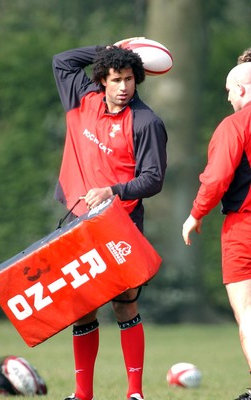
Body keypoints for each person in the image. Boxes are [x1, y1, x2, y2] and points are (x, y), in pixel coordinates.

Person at [52, 38, 168, 400]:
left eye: (130, 79)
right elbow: (63, 60)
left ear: (138, 80)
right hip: (78, 222)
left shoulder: (147, 122)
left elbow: (153, 179)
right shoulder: (81, 99)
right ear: (102, 79)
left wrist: (112, 191)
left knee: (124, 302)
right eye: (116, 78)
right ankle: (82, 394)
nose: (123, 87)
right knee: (82, 307)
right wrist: (112, 48)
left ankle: (135, 393)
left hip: (122, 224)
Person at [182, 61, 251, 400]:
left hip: (245, 226)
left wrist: (196, 214)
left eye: (228, 91)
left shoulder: (236, 124)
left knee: (248, 311)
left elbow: (218, 176)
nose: (228, 99)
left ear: (241, 88)